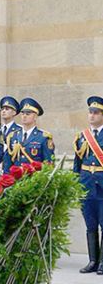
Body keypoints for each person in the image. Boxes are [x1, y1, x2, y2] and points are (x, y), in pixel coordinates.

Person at [73, 96, 103, 275]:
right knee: (90, 224)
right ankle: (93, 260)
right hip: (86, 186)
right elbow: (77, 163)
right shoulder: (81, 136)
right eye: (90, 112)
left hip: (102, 186)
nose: (92, 116)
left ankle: (102, 263)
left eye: (96, 112)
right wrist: (75, 184)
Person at [3, 98, 55, 172]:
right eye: (23, 114)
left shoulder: (43, 137)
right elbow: (7, 163)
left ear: (35, 117)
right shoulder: (12, 136)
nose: (24, 116)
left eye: (28, 114)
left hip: (34, 179)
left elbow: (48, 163)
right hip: (16, 179)